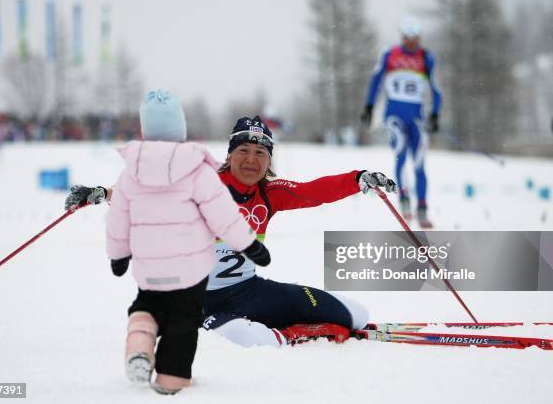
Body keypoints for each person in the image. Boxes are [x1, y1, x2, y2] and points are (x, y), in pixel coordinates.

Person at [66, 115, 396, 348]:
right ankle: (289, 335)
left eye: (260, 153)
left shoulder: (271, 193)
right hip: (203, 304)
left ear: (269, 160)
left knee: (356, 314)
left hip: (251, 292)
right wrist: (100, 194)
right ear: (229, 155)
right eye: (244, 151)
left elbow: (313, 191)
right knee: (254, 341)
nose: (251, 160)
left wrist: (358, 179)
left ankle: (296, 327)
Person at [103, 90, 271, 394]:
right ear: (180, 130)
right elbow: (224, 216)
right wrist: (248, 245)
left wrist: (118, 255)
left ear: (145, 130)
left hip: (148, 268)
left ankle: (140, 343)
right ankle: (172, 379)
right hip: (190, 271)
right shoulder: (198, 171)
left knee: (147, 307)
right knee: (183, 320)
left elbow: (117, 219)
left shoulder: (130, 174)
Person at [361, 16, 442, 228]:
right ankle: (404, 200)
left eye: (415, 38)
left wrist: (435, 114)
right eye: (407, 38)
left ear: (419, 37)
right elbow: (376, 80)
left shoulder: (426, 58)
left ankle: (422, 208)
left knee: (419, 162)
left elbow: (436, 89)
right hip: (394, 117)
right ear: (402, 36)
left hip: (417, 118)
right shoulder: (390, 54)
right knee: (400, 153)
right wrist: (369, 107)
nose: (411, 42)